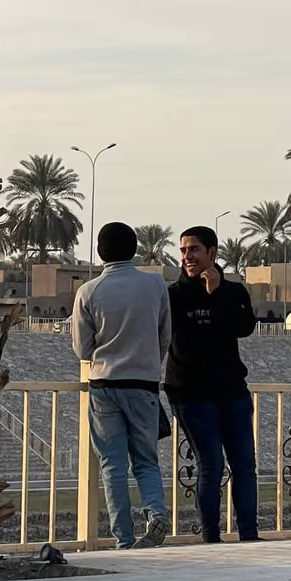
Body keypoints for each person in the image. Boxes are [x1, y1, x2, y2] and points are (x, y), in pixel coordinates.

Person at [72, 222, 170, 549]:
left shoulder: (89, 291)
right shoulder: (155, 285)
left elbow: (82, 348)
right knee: (146, 460)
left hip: (104, 383)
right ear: (134, 249)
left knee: (112, 465)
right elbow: (164, 335)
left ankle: (123, 539)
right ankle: (156, 513)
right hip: (143, 384)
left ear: (100, 252)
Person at [165, 226, 261, 543]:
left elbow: (243, 327)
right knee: (211, 465)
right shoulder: (173, 296)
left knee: (244, 465)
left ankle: (249, 535)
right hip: (191, 395)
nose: (187, 256)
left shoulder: (233, 292)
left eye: (193, 249)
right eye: (183, 250)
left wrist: (216, 293)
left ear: (212, 252)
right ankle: (211, 538)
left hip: (231, 392)